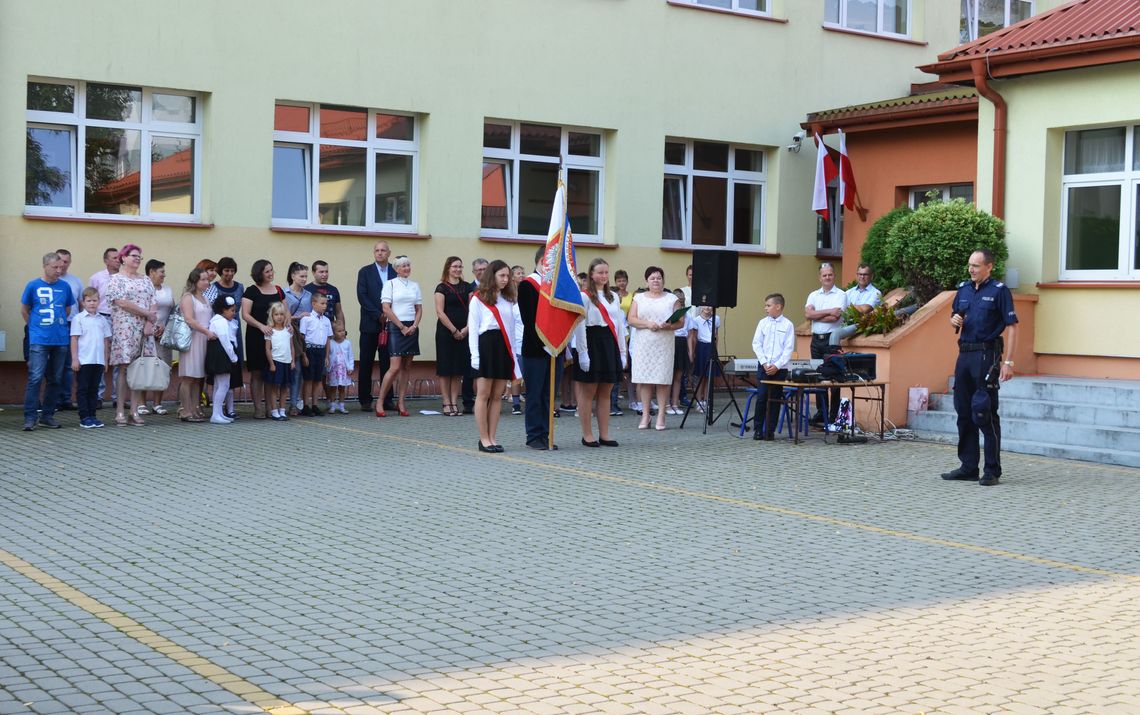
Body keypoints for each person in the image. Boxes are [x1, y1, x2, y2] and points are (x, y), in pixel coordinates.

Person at [942, 249, 1018, 487]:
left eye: (976, 265)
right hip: (964, 354)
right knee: (963, 411)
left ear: (989, 267)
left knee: (983, 411)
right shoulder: (964, 289)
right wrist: (953, 319)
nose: (971, 269)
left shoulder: (999, 291)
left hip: (987, 354)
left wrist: (1008, 362)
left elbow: (1013, 326)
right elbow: (956, 314)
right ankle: (968, 467)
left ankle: (992, 470)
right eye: (969, 265)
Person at [468, 260, 522, 453]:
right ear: (492, 276)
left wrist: (514, 355)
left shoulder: (509, 299)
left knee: (497, 396)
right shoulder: (478, 298)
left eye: (508, 276)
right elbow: (473, 329)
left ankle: (492, 437)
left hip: (504, 347)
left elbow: (512, 329)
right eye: (502, 276)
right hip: (487, 345)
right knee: (483, 394)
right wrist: (475, 356)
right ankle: (483, 439)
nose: (506, 279)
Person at [572, 258, 626, 448]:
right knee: (589, 391)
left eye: (606, 272)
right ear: (592, 275)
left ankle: (605, 434)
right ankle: (587, 434)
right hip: (592, 342)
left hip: (609, 343)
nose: (603, 276)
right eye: (599, 273)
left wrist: (622, 351)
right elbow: (580, 326)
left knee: (606, 391)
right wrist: (583, 353)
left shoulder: (613, 296)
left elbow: (619, 325)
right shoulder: (585, 296)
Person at [22, 252, 73, 431]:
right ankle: (29, 417)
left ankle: (47, 415)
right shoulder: (33, 285)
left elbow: (67, 310)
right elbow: (24, 309)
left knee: (55, 379)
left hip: (60, 339)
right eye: (55, 267)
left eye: (61, 267)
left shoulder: (65, 287)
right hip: (39, 339)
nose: (59, 270)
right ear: (45, 266)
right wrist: (36, 328)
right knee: (35, 377)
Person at [107, 244, 156, 427]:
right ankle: (120, 409)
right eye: (133, 256)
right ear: (123, 258)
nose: (137, 259)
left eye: (139, 257)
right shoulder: (116, 279)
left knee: (139, 369)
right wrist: (146, 314)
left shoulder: (146, 280)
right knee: (123, 368)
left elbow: (153, 302)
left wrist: (150, 323)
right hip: (125, 328)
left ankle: (134, 410)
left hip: (144, 329)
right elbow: (121, 302)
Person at [629, 266, 682, 430]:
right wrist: (647, 324)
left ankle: (661, 415)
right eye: (652, 278)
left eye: (659, 278)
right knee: (645, 380)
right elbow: (631, 319)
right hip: (643, 343)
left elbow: (681, 322)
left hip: (663, 344)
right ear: (646, 281)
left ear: (663, 280)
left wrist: (668, 326)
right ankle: (646, 414)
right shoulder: (639, 298)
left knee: (662, 380)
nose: (656, 281)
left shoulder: (672, 298)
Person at [518, 248, 558, 450]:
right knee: (535, 394)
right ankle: (534, 435)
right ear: (543, 260)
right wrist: (544, 343)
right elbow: (529, 320)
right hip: (535, 348)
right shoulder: (528, 285)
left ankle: (546, 434)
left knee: (548, 395)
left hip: (555, 347)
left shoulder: (556, 285)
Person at [376, 255, 422, 417]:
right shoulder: (390, 284)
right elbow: (386, 309)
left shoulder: (415, 285)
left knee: (407, 367)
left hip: (412, 327)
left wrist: (414, 326)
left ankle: (401, 402)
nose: (407, 268)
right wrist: (401, 327)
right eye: (403, 266)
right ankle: (380, 401)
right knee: (394, 367)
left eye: (408, 265)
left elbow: (418, 309)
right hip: (396, 327)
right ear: (396, 269)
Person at [804, 262, 847, 426]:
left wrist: (816, 315)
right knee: (819, 376)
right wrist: (828, 311)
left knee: (834, 377)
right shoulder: (813, 295)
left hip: (832, 340)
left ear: (834, 276)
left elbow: (835, 318)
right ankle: (821, 412)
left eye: (830, 274)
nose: (827, 277)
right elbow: (808, 314)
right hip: (816, 340)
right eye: (824, 275)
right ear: (820, 277)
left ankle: (833, 414)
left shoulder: (841, 295)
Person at [357, 241, 396, 412]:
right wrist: (377, 314)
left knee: (388, 363)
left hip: (389, 325)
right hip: (369, 325)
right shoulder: (365, 272)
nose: (379, 253)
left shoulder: (395, 272)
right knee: (366, 362)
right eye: (377, 250)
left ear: (389, 253)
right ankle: (365, 400)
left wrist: (389, 315)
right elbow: (362, 296)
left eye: (383, 250)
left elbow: (400, 297)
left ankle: (387, 399)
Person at [750, 294, 795, 441]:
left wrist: (777, 365)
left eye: (768, 305)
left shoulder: (788, 325)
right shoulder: (762, 323)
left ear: (778, 306)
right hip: (764, 366)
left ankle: (770, 430)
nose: (765, 309)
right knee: (762, 398)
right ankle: (758, 429)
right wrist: (764, 363)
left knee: (775, 399)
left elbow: (788, 349)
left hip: (779, 368)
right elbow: (756, 343)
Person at [242, 259, 283, 419]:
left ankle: (270, 407)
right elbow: (245, 314)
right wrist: (261, 326)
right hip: (256, 336)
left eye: (272, 270)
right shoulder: (251, 291)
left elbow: (284, 311)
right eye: (267, 271)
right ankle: (258, 407)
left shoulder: (278, 290)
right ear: (259, 273)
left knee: (271, 373)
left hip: (275, 338)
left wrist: (286, 325)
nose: (271, 273)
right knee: (257, 373)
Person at [434, 256, 472, 416]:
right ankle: (446, 402)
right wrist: (454, 330)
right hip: (446, 333)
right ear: (448, 268)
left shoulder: (467, 287)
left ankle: (454, 402)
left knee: (458, 369)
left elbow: (473, 310)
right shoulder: (441, 287)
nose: (457, 269)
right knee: (445, 368)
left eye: (460, 267)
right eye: (455, 266)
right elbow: (440, 312)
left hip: (464, 332)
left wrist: (466, 329)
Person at [70, 287, 110, 429]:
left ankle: (93, 415)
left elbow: (106, 341)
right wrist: (75, 359)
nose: (92, 303)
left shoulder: (102, 320)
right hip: (84, 360)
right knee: (83, 389)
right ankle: (84, 416)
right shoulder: (78, 319)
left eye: (94, 300)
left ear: (99, 301)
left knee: (94, 389)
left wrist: (105, 360)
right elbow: (74, 339)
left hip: (97, 360)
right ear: (83, 302)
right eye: (89, 301)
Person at [177, 269, 214, 423]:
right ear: (195, 281)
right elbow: (189, 319)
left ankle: (195, 407)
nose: (207, 282)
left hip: (205, 339)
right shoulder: (188, 297)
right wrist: (206, 331)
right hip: (193, 339)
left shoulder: (205, 298)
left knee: (199, 377)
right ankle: (185, 410)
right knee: (189, 377)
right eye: (203, 279)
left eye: (207, 279)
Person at [140, 259, 173, 416]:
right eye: (161, 272)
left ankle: (158, 403)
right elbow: (139, 310)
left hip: (163, 335)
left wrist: (164, 327)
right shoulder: (143, 288)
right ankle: (141, 403)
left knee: (163, 368)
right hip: (145, 333)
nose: (164, 275)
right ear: (151, 272)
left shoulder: (167, 289)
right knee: (144, 367)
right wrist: (151, 327)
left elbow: (172, 310)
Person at [88, 247, 120, 405]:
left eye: (119, 257)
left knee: (119, 358)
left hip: (121, 320)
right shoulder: (96, 278)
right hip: (102, 318)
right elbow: (90, 299)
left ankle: (118, 397)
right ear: (106, 260)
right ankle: (98, 396)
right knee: (101, 356)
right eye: (114, 258)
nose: (118, 260)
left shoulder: (125, 278)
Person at [213, 257, 245, 408]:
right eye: (226, 270)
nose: (229, 274)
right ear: (220, 271)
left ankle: (231, 408)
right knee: (222, 368)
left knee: (234, 367)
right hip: (221, 330)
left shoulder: (240, 287)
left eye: (232, 271)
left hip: (235, 329)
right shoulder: (214, 287)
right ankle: (218, 406)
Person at [55, 248, 83, 411]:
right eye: (61, 261)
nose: (63, 265)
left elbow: (80, 304)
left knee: (67, 364)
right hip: (53, 325)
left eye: (67, 262)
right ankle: (53, 399)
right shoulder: (47, 280)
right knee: (53, 364)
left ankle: (65, 399)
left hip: (71, 324)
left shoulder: (75, 281)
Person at [461, 257, 490, 414]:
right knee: (469, 368)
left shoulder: (494, 288)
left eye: (484, 269)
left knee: (488, 368)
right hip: (470, 332)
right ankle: (467, 401)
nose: (481, 272)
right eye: (478, 270)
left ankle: (487, 401)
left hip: (488, 334)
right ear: (473, 272)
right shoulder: (468, 288)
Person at [830, 263, 883, 347]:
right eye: (860, 274)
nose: (862, 277)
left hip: (863, 326)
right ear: (857, 275)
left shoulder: (876, 293)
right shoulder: (848, 293)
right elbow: (836, 308)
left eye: (865, 274)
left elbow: (865, 309)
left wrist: (845, 307)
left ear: (871, 276)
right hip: (846, 326)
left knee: (835, 335)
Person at [205, 296, 240, 425]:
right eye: (231, 310)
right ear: (222, 310)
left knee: (219, 385)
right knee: (224, 385)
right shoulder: (221, 322)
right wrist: (233, 357)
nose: (234, 313)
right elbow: (225, 340)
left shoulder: (217, 320)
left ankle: (218, 413)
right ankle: (215, 414)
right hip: (222, 354)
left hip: (218, 353)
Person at [283, 261, 312, 416]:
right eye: (301, 276)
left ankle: (294, 403)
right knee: (285, 368)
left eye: (306, 276)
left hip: (302, 335)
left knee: (298, 370)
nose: (304, 279)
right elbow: (280, 315)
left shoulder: (308, 295)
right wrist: (297, 316)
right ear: (293, 276)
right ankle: (279, 404)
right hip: (288, 332)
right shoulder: (284, 293)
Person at [299, 293, 333, 416]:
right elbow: (302, 338)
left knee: (318, 379)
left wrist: (327, 356)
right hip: (309, 350)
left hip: (321, 350)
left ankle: (314, 405)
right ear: (313, 304)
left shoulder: (327, 320)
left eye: (326, 304)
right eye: (322, 303)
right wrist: (304, 355)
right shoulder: (306, 319)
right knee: (308, 379)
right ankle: (306, 406)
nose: (325, 306)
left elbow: (328, 339)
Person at [263, 301, 294, 421]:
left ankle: (282, 410)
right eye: (276, 314)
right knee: (274, 387)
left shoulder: (288, 330)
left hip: (287, 362)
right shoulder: (270, 331)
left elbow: (291, 346)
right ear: (272, 316)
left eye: (282, 314)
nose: (279, 317)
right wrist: (271, 363)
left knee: (285, 388)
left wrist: (292, 361)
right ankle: (274, 411)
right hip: (276, 362)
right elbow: (267, 348)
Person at [688, 305, 721, 413]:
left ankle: (707, 401)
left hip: (711, 348)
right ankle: (699, 402)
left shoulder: (716, 318)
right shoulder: (696, 320)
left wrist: (715, 349)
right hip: (701, 347)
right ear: (701, 307)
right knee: (700, 376)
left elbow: (716, 335)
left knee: (709, 377)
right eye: (705, 306)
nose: (707, 308)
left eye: (710, 306)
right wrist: (692, 352)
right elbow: (693, 337)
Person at [667, 288, 693, 415]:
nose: (681, 303)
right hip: (670, 341)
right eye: (679, 300)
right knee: (667, 376)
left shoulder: (686, 315)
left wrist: (690, 351)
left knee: (678, 376)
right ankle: (666, 404)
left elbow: (689, 335)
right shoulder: (668, 312)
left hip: (681, 343)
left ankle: (675, 403)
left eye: (682, 301)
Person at [610, 268, 632, 416]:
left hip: (620, 347)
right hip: (609, 346)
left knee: (618, 377)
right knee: (610, 378)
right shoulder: (609, 312)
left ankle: (614, 404)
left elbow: (624, 332)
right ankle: (610, 405)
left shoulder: (622, 313)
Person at [326, 323, 354, 414]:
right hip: (334, 369)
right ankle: (332, 406)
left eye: (343, 331)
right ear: (333, 333)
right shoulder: (330, 343)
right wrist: (327, 368)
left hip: (343, 370)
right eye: (339, 331)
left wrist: (351, 367)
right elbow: (328, 356)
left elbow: (350, 356)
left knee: (342, 388)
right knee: (333, 388)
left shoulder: (347, 343)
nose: (342, 333)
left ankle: (342, 406)